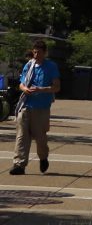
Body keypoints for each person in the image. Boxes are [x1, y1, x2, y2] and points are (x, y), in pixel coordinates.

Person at [10, 39, 60, 175]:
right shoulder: (29, 65)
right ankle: (19, 164)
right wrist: (25, 89)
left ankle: (43, 158)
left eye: (39, 52)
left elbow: (56, 87)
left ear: (45, 52)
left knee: (40, 138)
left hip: (41, 107)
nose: (36, 55)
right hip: (26, 105)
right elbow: (21, 84)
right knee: (21, 136)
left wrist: (41, 89)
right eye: (35, 52)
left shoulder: (51, 66)